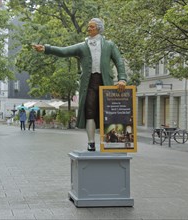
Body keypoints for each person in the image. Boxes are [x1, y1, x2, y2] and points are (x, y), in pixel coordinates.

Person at [32, 18, 127, 151]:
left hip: (106, 83)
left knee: (110, 112)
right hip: (89, 84)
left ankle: (111, 142)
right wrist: (46, 48)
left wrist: (122, 79)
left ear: (99, 28)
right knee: (89, 111)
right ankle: (91, 142)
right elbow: (63, 51)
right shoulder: (83, 46)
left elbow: (119, 61)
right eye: (88, 26)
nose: (88, 29)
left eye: (91, 27)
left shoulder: (109, 45)